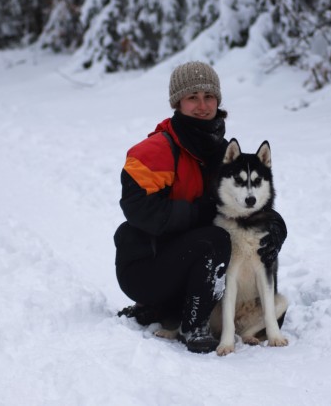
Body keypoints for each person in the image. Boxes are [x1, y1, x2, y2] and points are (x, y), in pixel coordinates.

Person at [114, 61, 286, 353]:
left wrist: (276, 226)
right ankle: (193, 326)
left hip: (189, 263)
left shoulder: (222, 152)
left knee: (245, 243)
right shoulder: (155, 150)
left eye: (209, 96)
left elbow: (249, 199)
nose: (202, 105)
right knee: (216, 238)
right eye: (192, 97)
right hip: (145, 265)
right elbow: (139, 210)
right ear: (177, 102)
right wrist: (200, 212)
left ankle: (169, 312)